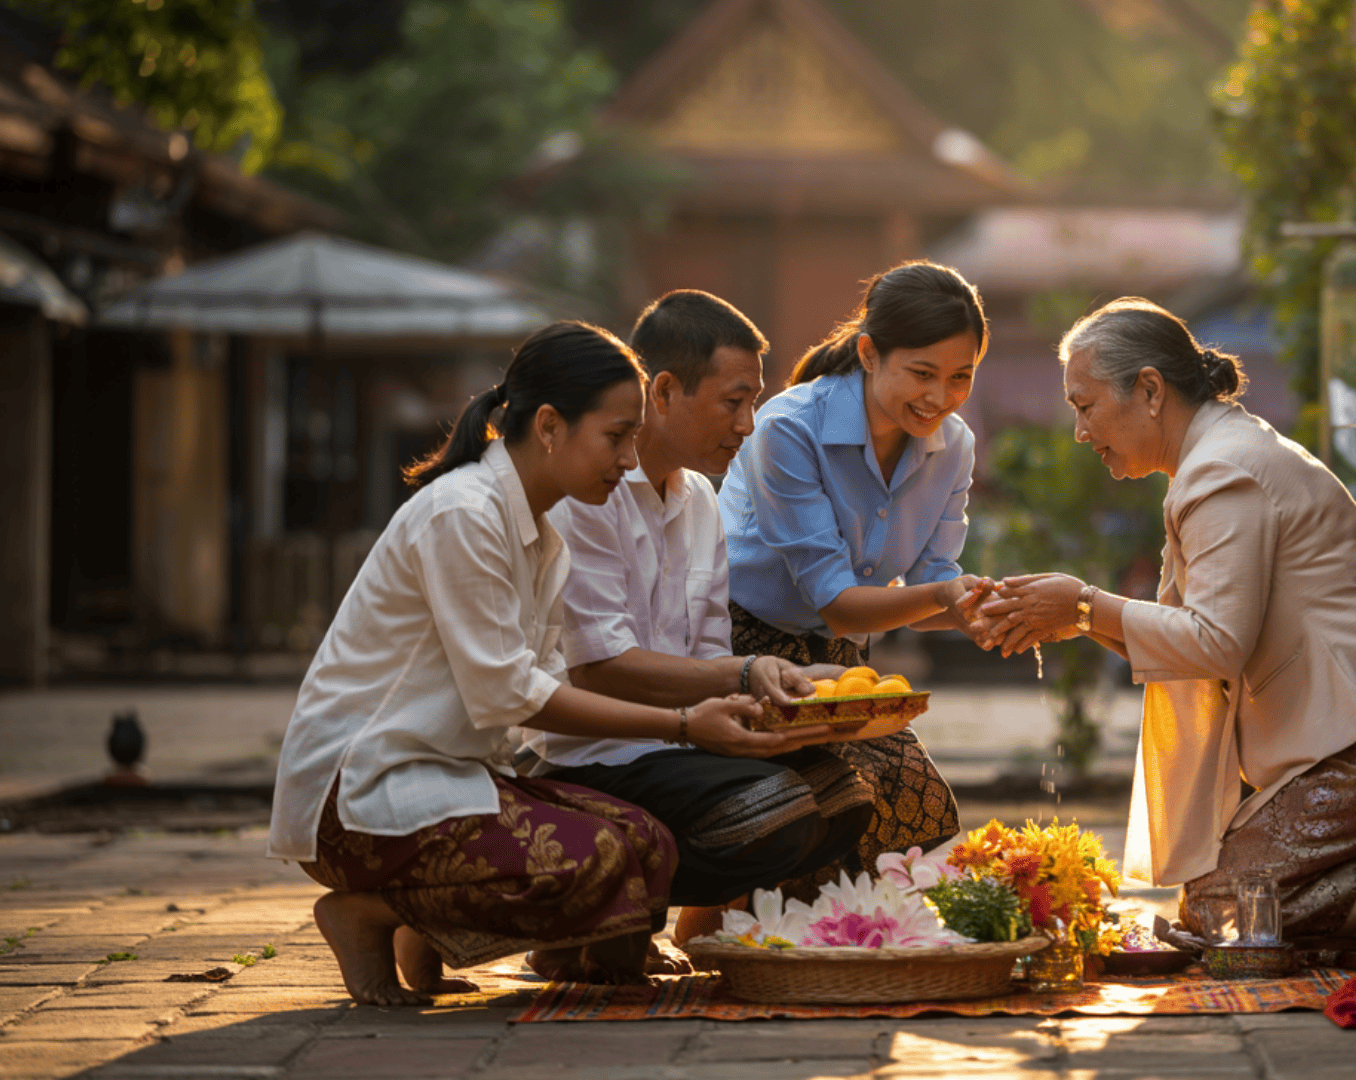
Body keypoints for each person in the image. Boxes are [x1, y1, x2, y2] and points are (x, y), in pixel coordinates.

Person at [267, 322, 821, 1005]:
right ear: (551, 426)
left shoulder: (540, 530)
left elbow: (537, 687)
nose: (628, 459)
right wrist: (682, 724)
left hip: (452, 778)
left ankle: (443, 926)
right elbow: (513, 693)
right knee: (599, 858)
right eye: (616, 437)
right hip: (358, 795)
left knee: (646, 842)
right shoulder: (462, 514)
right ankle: (373, 913)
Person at [977, 299, 1356, 942]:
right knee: (1219, 903)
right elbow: (1186, 640)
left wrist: (1085, 605)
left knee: (1229, 910)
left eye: (1085, 406)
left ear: (1150, 390)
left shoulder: (1221, 468)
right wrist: (1079, 619)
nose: (1079, 431)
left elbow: (1215, 643)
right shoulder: (1215, 456)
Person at [528, 291, 873, 944]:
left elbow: (710, 655)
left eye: (754, 403)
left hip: (679, 745)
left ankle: (642, 923)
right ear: (662, 392)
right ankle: (598, 925)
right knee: (774, 810)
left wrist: (795, 694)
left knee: (842, 796)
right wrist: (747, 673)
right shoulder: (587, 493)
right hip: (593, 753)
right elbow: (600, 667)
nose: (748, 424)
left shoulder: (700, 500)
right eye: (733, 402)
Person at [720, 261, 995, 885]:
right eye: (922, 373)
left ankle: (840, 930)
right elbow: (840, 602)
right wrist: (945, 595)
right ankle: (735, 923)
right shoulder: (789, 428)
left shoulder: (953, 445)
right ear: (870, 354)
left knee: (917, 797)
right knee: (824, 802)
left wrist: (984, 608)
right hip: (742, 644)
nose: (940, 397)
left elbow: (933, 583)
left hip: (841, 655)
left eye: (961, 377)